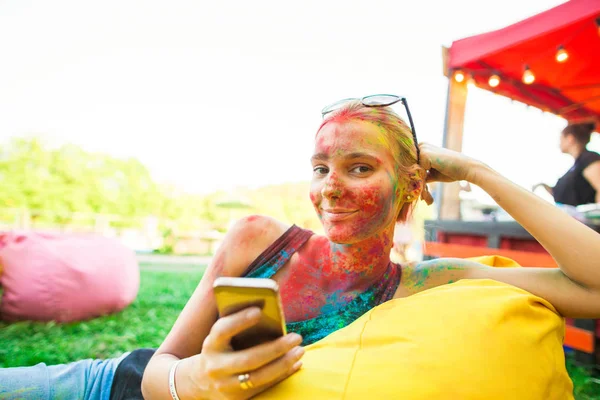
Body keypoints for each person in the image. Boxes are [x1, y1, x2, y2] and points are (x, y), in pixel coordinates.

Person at [3, 95, 600, 400]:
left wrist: (477, 170)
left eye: (359, 167)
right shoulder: (259, 239)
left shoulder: (431, 283)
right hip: (117, 387)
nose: (330, 188)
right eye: (320, 168)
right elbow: (159, 363)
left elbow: (593, 288)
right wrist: (195, 381)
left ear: (409, 187)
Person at [533, 122, 600, 206]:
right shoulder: (576, 165)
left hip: (582, 218)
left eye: (561, 139)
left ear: (570, 138)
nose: (559, 143)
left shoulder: (589, 159)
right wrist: (542, 185)